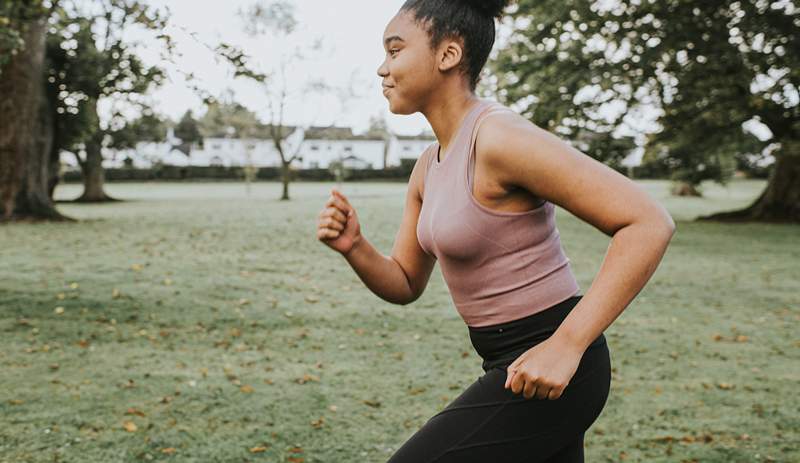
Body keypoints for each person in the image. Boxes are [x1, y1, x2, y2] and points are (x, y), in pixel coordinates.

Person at [316, 0, 676, 461]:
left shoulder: (500, 138)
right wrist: (355, 247)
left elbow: (647, 222)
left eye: (395, 50)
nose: (382, 69)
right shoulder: (428, 166)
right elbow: (405, 282)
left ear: (447, 55)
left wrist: (565, 346)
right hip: (507, 361)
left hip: (557, 359)